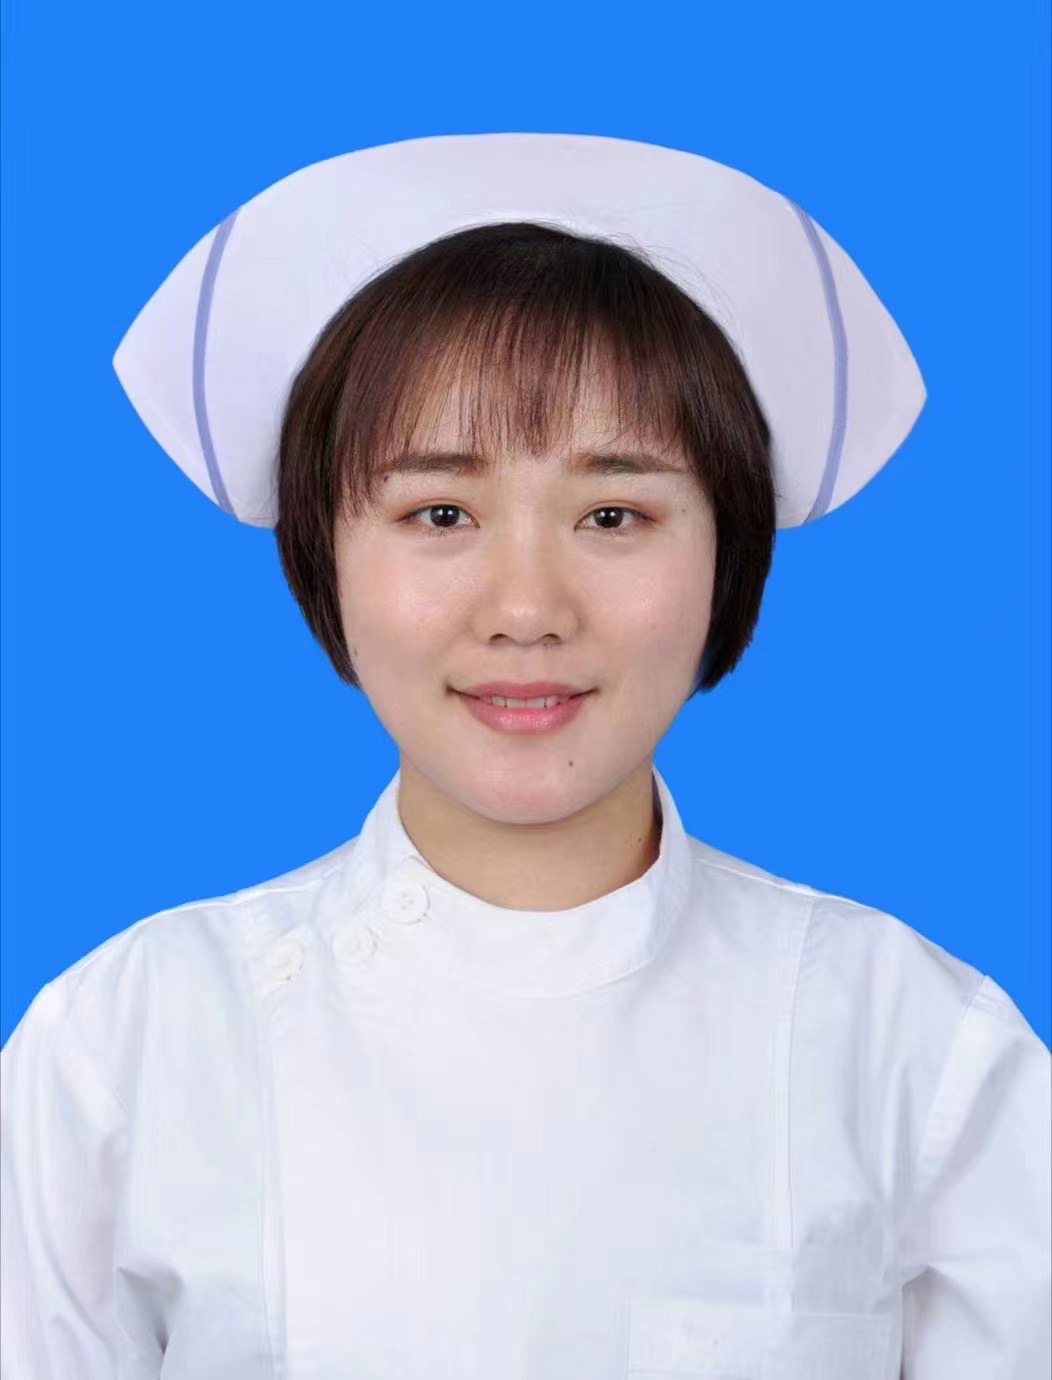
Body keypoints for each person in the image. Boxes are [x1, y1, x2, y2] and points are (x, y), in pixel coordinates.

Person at [2, 134, 1048, 1379]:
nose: (525, 609)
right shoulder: (121, 1048)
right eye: (439, 512)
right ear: (326, 556)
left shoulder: (918, 1053)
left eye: (613, 514)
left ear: (725, 558)